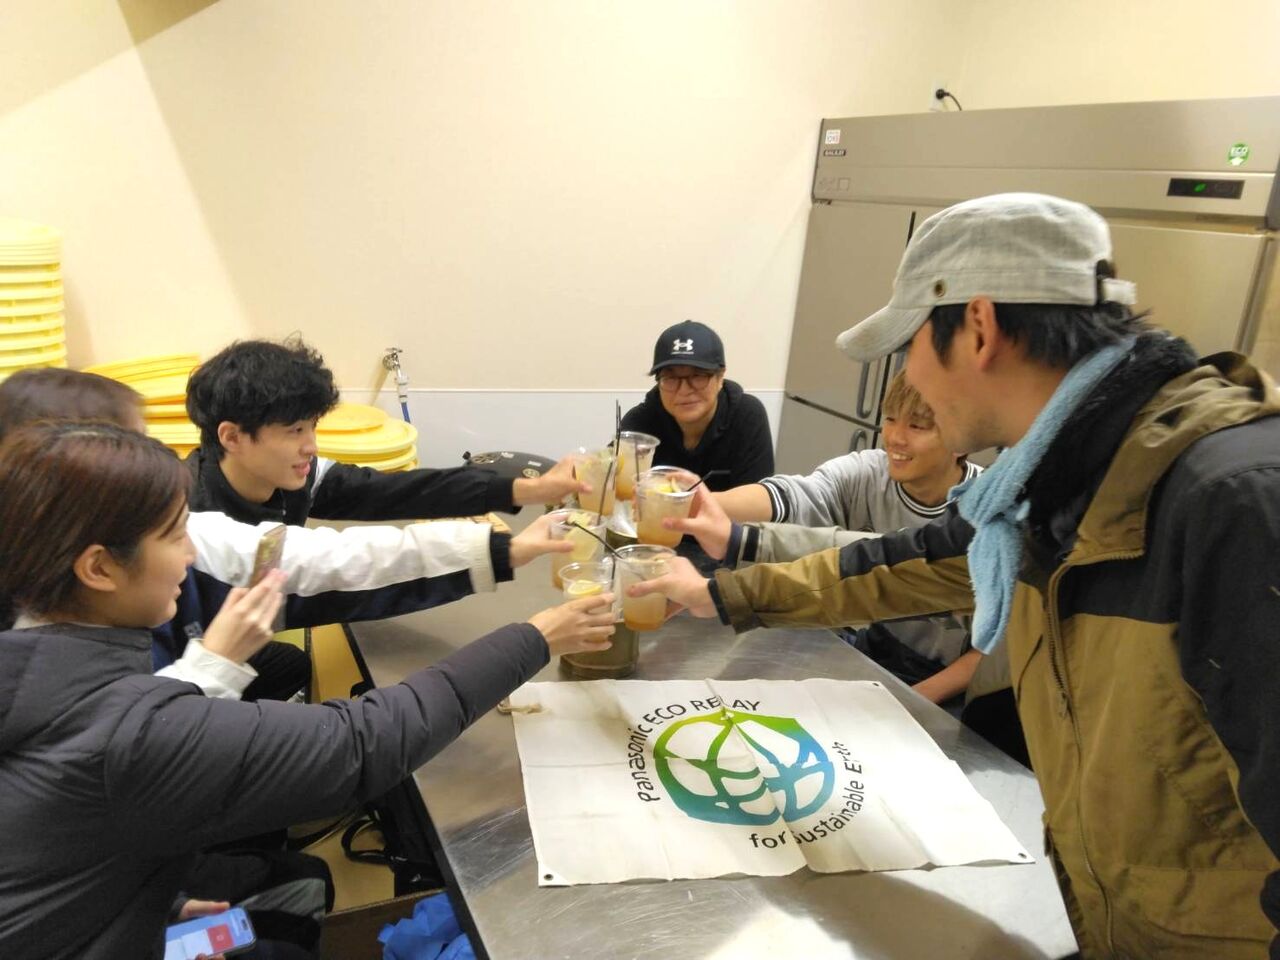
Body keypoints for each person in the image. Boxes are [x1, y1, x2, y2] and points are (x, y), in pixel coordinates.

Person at [634, 193, 1280, 957]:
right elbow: (889, 567)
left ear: (978, 328)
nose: (907, 379)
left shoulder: (1231, 500)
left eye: (910, 344)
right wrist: (717, 590)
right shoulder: (1053, 485)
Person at [0, 422, 616, 960]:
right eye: (173, 536)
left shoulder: (34, 663)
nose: (192, 553)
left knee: (290, 887)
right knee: (292, 902)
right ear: (99, 567)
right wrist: (538, 635)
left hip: (132, 916)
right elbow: (365, 743)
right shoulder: (125, 732)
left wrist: (155, 900)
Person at [691, 371, 984, 709]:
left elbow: (990, 648)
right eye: (890, 419)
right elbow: (799, 495)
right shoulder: (869, 472)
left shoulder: (986, 514)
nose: (895, 438)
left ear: (962, 440)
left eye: (917, 426)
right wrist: (702, 505)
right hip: (876, 650)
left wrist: (912, 702)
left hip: (944, 684)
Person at [183, 336, 586, 526]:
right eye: (294, 431)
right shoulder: (187, 515)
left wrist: (528, 490)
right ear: (231, 437)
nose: (311, 446)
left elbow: (399, 490)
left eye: (312, 427)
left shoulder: (295, 479)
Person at [620, 319, 774, 490]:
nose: (684, 390)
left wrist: (683, 501)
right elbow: (612, 481)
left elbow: (758, 497)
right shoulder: (641, 422)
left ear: (720, 377)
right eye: (671, 378)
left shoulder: (747, 417)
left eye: (698, 376)